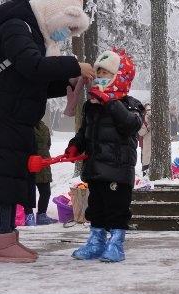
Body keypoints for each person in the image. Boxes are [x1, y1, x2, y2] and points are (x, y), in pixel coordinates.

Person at [0, 0, 92, 263]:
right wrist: (73, 65)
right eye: (66, 28)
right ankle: (3, 242)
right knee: (2, 180)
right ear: (54, 13)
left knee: (8, 178)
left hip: (10, 119)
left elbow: (33, 83)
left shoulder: (33, 35)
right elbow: (32, 66)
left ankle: (7, 238)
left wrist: (66, 81)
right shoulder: (17, 27)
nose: (65, 35)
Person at [65, 48, 144, 263]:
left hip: (118, 172)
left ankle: (116, 244)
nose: (100, 78)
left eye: (106, 74)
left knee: (117, 209)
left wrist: (110, 102)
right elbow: (85, 132)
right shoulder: (91, 106)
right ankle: (96, 241)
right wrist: (75, 145)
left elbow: (131, 125)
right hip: (95, 169)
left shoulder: (131, 104)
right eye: (98, 73)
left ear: (120, 77)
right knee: (96, 209)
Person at [24, 120, 58, 226]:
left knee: (46, 191)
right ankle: (28, 215)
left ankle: (41, 215)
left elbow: (48, 144)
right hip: (28, 163)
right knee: (28, 192)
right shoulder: (25, 126)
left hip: (43, 163)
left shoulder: (44, 127)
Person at [138, 103, 152, 176]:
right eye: (147, 110)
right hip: (144, 142)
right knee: (144, 157)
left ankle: (146, 171)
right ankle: (145, 172)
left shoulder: (154, 118)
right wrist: (147, 126)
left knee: (146, 157)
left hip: (149, 142)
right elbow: (140, 132)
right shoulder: (142, 118)